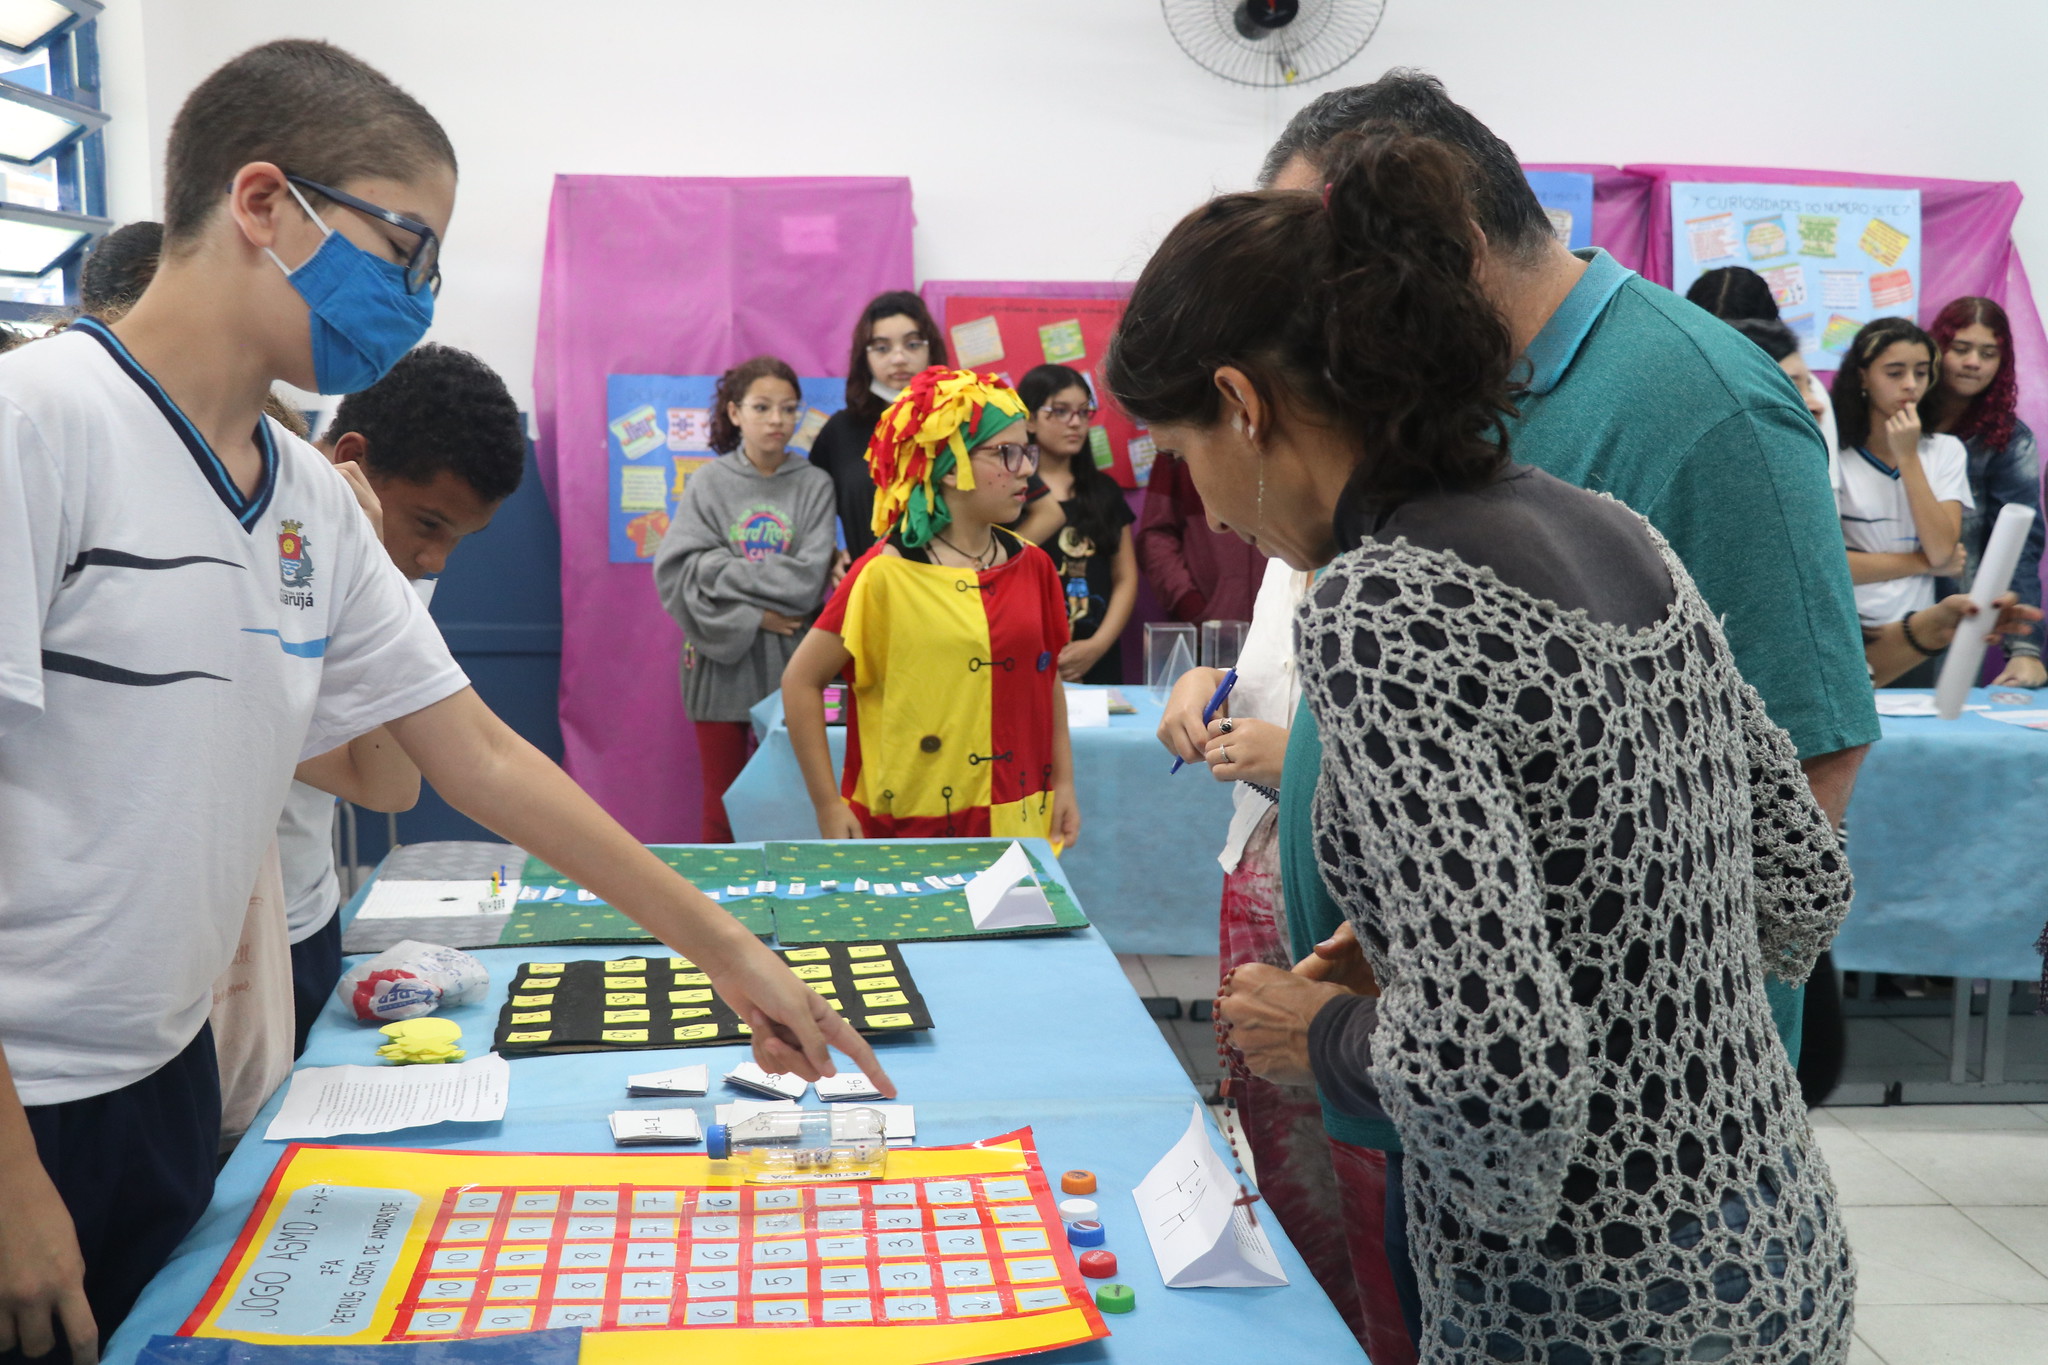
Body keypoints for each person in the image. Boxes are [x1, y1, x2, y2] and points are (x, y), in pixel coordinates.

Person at [0, 40, 889, 1363]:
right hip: (29, 1106)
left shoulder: (303, 496)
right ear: (263, 205)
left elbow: (471, 751)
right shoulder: (41, 424)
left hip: (167, 1075)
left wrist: (726, 948)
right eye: (404, 247)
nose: (418, 295)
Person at [1116, 127, 1855, 1365]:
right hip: (1768, 1243)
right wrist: (1434, 946)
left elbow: (1495, 1080)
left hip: (1594, 1305)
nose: (1206, 500)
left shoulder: (1383, 602)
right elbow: (1795, 887)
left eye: (1184, 456)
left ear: (1241, 408)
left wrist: (1324, 1038)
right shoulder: (1605, 528)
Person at [281, 343, 530, 1052]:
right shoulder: (276, 551)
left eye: (457, 538)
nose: (434, 560)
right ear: (349, 459)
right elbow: (385, 778)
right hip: (220, 935)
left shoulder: (389, 560)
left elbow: (394, 775)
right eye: (427, 525)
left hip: (305, 903)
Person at [781, 367, 1080, 847]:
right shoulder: (883, 574)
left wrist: (1063, 782)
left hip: (1016, 817)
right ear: (946, 463)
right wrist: (827, 805)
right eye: (1006, 453)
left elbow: (1047, 679)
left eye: (1027, 450)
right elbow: (800, 681)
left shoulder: (1036, 566)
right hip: (906, 821)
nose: (1026, 468)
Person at [653, 355, 835, 842]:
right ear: (735, 413)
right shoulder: (709, 482)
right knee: (722, 806)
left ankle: (794, 905)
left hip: (794, 666)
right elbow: (678, 571)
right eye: (762, 407)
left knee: (797, 798)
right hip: (719, 664)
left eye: (788, 409)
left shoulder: (815, 484)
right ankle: (721, 911)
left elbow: (806, 581)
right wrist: (755, 615)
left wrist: (719, 568)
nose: (777, 420)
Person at [807, 292, 1059, 564]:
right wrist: (829, 556)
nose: (899, 358)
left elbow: (1048, 512)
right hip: (875, 588)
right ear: (863, 356)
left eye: (913, 344)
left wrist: (991, 562)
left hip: (952, 590)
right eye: (882, 348)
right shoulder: (840, 430)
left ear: (931, 350)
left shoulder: (961, 420)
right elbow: (804, 506)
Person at [1831, 318, 1973, 659]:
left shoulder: (1945, 450)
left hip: (1918, 632)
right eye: (1895, 373)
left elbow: (1942, 550)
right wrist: (1926, 564)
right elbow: (1832, 565)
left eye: (1921, 373)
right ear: (1863, 376)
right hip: (1850, 632)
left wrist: (1908, 457)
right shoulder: (1835, 454)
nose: (1910, 385)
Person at [1924, 296, 2044, 687]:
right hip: (1875, 609)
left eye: (1988, 353)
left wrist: (2025, 652)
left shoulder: (2008, 440)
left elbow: (2018, 545)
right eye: (1961, 348)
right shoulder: (1890, 417)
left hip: (1955, 615)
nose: (1973, 362)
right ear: (1936, 349)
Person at [1017, 364, 1137, 683]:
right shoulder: (1010, 492)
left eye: (1083, 413)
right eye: (1060, 411)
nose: (1075, 423)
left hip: (1096, 656)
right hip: (1026, 657)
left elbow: (1125, 577)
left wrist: (1096, 646)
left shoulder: (1103, 492)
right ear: (1028, 419)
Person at [1136, 448, 1264, 624]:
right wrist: (1187, 602)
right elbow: (1156, 535)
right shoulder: (1184, 431)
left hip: (1288, 625)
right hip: (1208, 631)